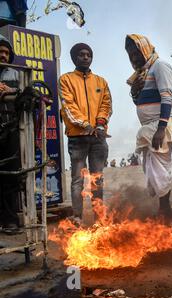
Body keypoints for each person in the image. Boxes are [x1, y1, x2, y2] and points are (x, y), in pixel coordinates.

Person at [125, 34, 172, 217]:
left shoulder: (160, 66)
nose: (134, 58)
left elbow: (167, 98)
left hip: (161, 126)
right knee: (153, 170)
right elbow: (139, 102)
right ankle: (163, 209)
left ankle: (166, 210)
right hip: (151, 127)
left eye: (136, 52)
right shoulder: (142, 74)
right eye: (130, 54)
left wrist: (161, 129)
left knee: (161, 170)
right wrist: (134, 91)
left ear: (145, 48)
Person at [59, 43, 112, 222]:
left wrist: (99, 124)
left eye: (88, 54)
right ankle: (77, 218)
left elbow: (106, 105)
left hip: (98, 137)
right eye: (81, 54)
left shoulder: (101, 82)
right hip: (77, 137)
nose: (85, 57)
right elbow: (68, 107)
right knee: (77, 181)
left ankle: (99, 220)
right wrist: (86, 125)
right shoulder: (65, 80)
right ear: (74, 58)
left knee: (97, 179)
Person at [0, 35, 21, 234]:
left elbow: (26, 95)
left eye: (6, 52)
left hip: (10, 129)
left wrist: (10, 90)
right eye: (0, 51)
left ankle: (10, 220)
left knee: (10, 177)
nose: (3, 55)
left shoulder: (16, 74)